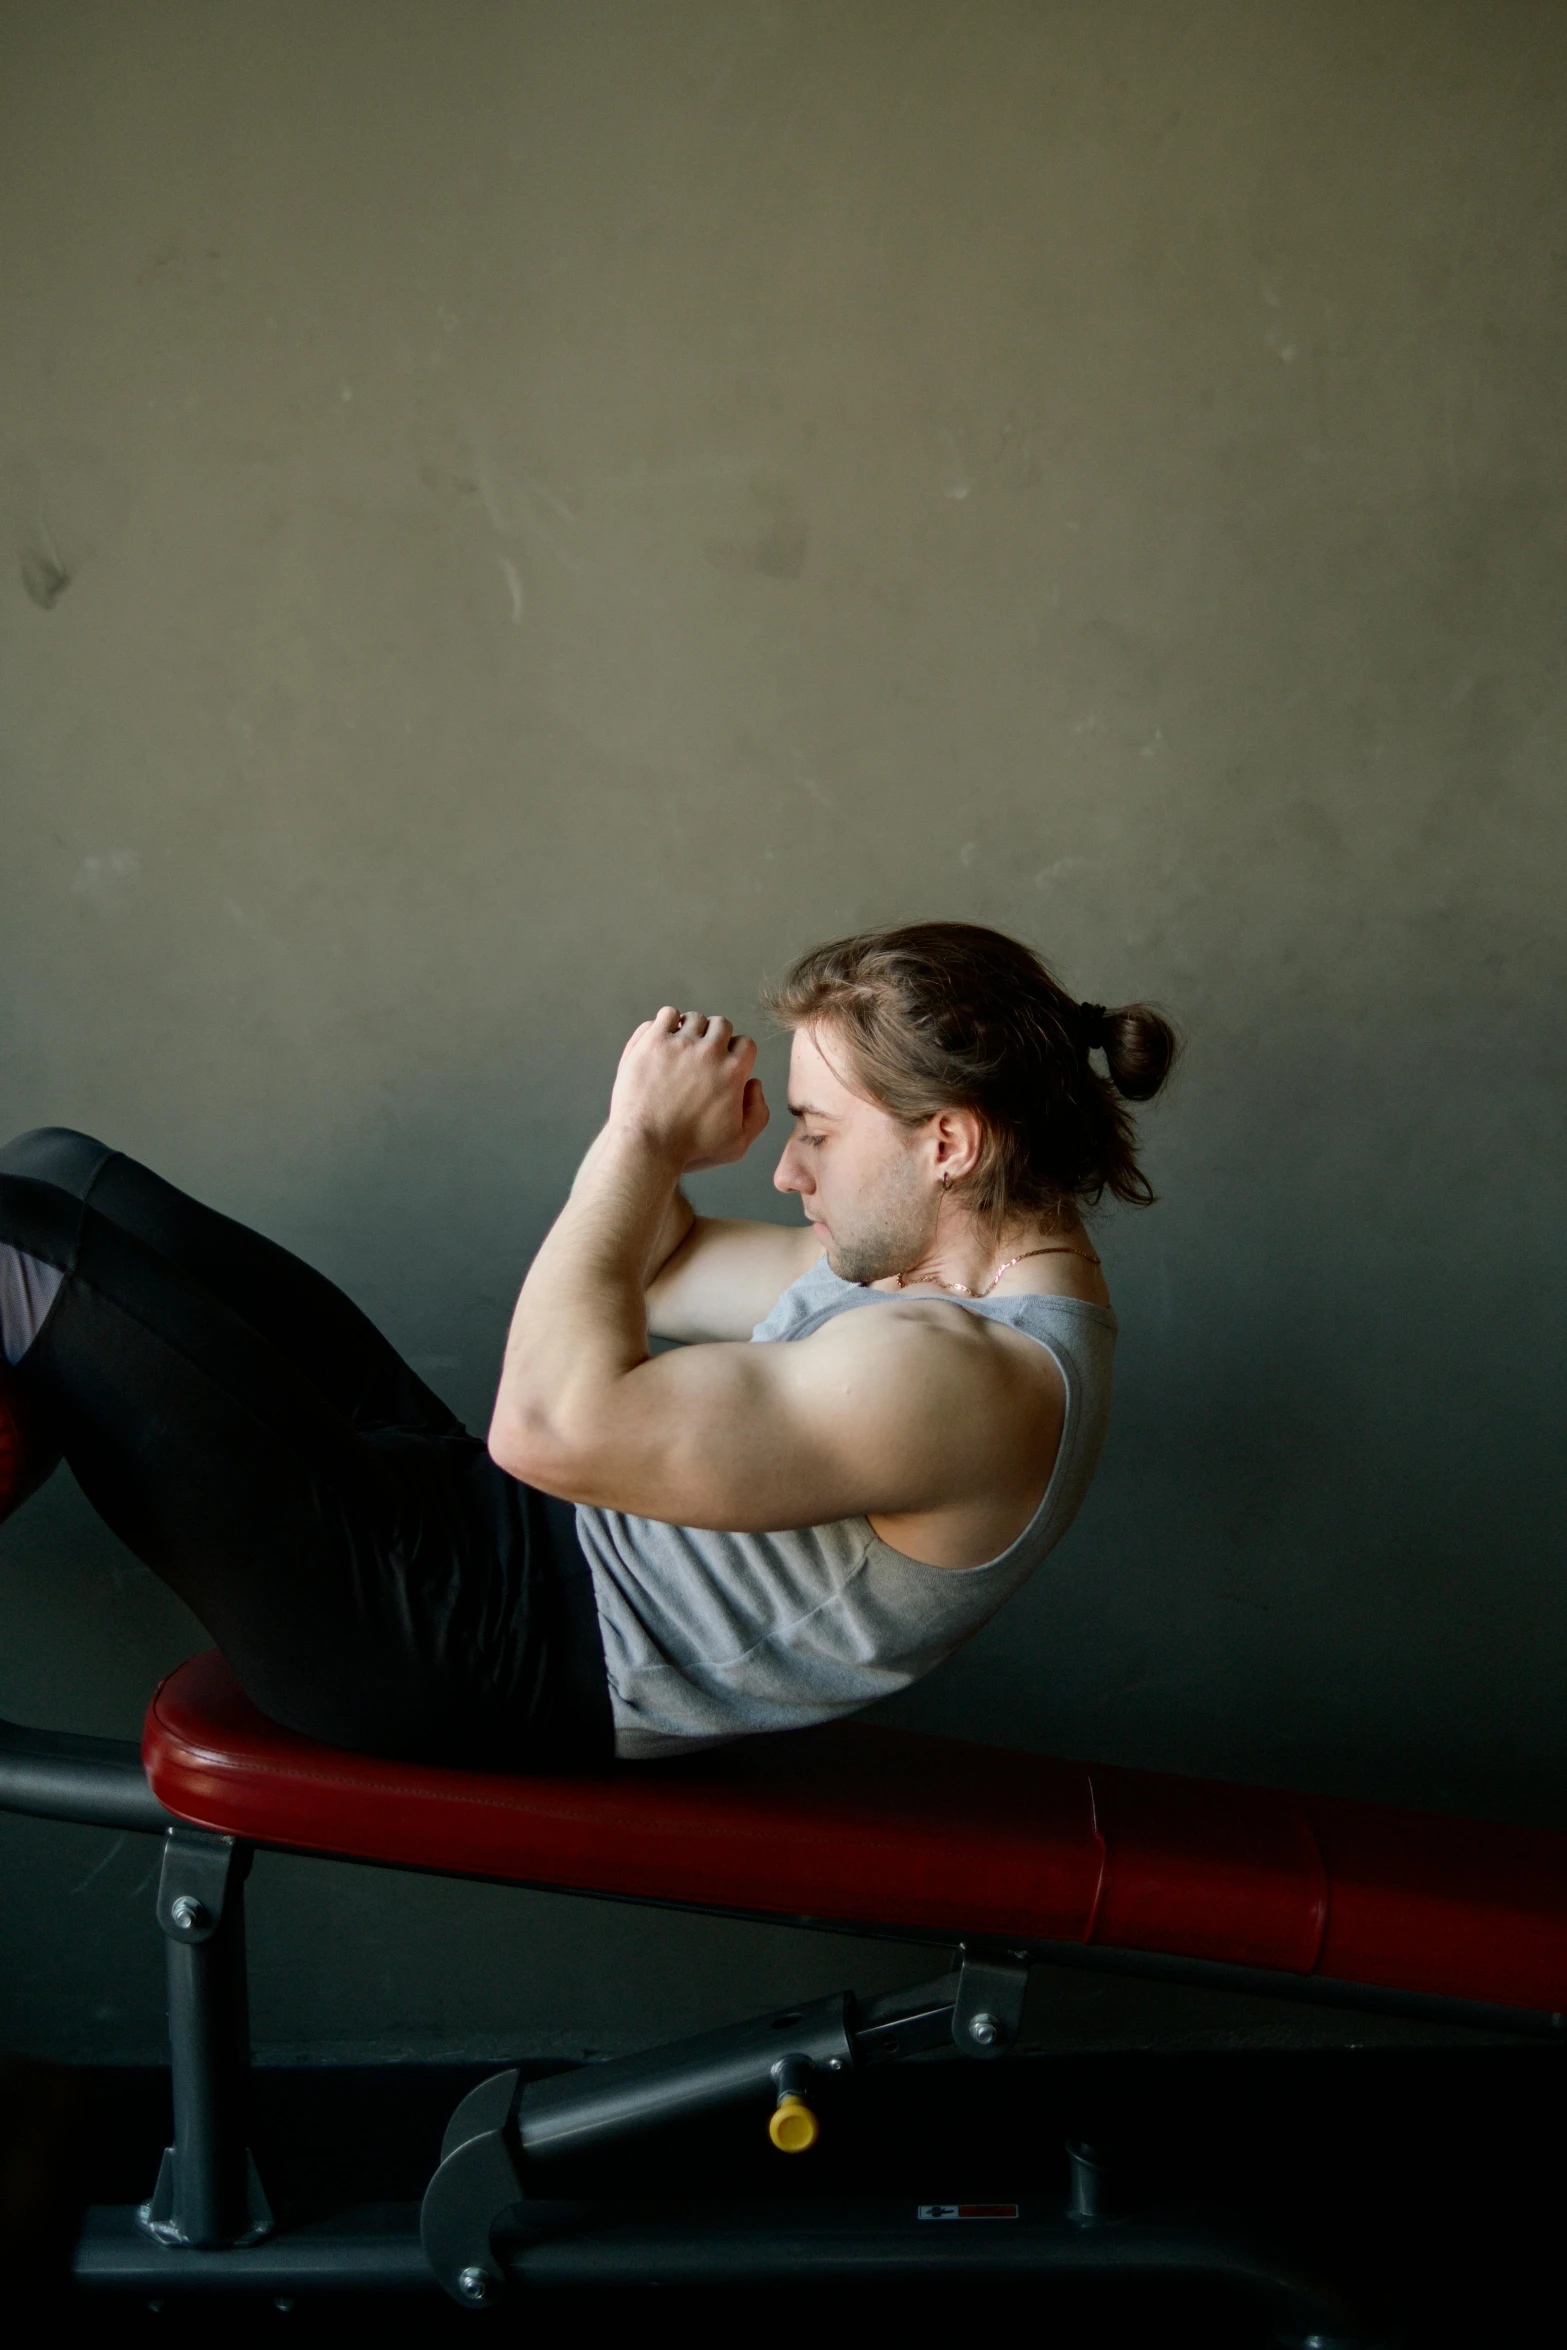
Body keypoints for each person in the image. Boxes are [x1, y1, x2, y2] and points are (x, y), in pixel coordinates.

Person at [0, 923, 1175, 1770]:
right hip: (485, 1539)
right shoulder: (922, 1291)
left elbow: (546, 1426)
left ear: (952, 1144)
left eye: (816, 1130)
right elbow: (651, 1263)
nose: (787, 1169)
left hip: (472, 1649)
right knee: (65, 1173)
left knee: (23, 1243)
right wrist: (661, 1147)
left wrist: (637, 1137)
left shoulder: (961, 1378)